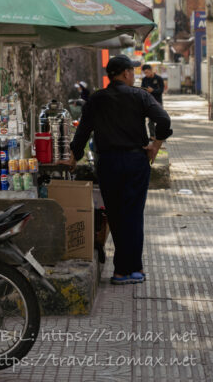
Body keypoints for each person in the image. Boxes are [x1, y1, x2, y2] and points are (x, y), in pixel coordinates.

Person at [68, 55, 172, 285]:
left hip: (108, 163)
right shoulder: (140, 95)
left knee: (115, 214)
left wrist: (74, 156)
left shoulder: (96, 99)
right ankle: (128, 270)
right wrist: (156, 143)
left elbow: (83, 132)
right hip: (136, 162)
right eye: (132, 72)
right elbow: (163, 119)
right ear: (125, 73)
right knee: (133, 214)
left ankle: (125, 269)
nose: (134, 76)